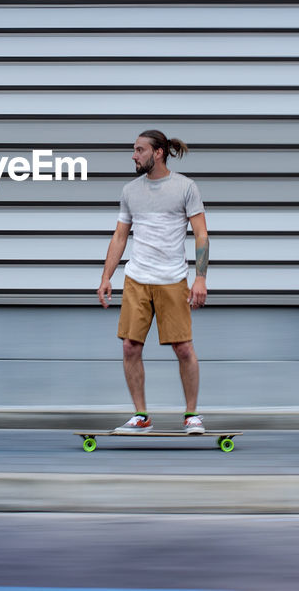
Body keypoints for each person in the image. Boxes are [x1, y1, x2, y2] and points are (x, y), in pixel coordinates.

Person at [97, 129, 209, 434]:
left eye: (139, 150)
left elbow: (201, 233)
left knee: (183, 348)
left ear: (157, 153)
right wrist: (106, 277)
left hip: (172, 280)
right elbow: (120, 236)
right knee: (130, 347)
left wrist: (200, 278)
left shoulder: (185, 187)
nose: (134, 156)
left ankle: (192, 416)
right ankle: (141, 415)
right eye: (134, 150)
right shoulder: (130, 191)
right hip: (137, 279)